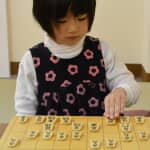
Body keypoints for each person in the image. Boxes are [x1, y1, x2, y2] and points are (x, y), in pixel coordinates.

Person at [15, 0, 140, 119]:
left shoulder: (102, 50)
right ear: (45, 21)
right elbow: (25, 114)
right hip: (52, 138)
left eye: (81, 18)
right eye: (62, 21)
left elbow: (130, 85)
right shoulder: (32, 60)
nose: (73, 28)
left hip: (100, 135)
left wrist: (122, 91)